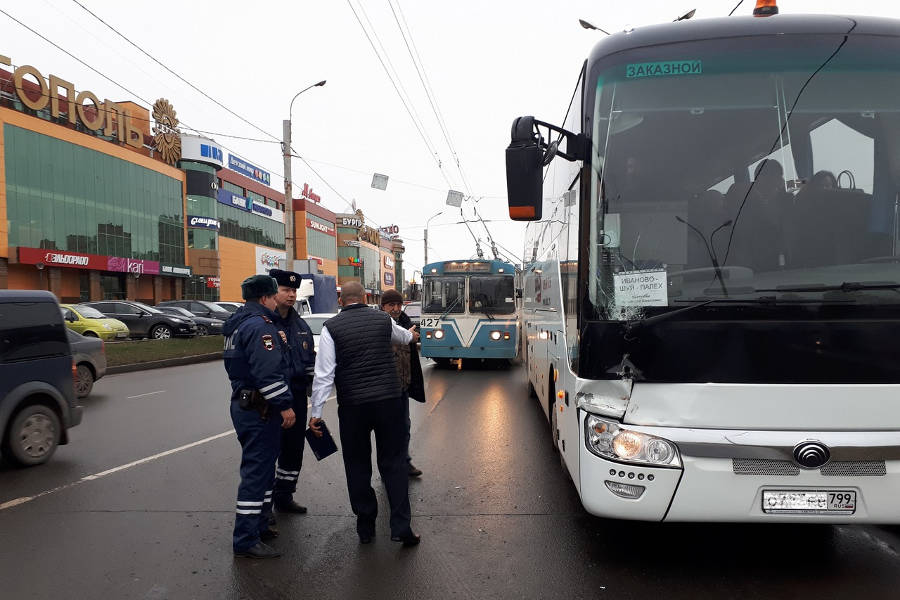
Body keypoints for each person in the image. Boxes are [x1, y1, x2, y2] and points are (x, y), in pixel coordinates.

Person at [308, 281, 422, 547]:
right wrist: (412, 335)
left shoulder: (331, 329)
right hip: (389, 402)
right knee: (394, 463)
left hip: (353, 407)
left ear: (342, 301)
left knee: (357, 465)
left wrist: (316, 412)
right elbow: (405, 338)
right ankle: (401, 527)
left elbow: (324, 374)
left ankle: (366, 526)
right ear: (363, 298)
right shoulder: (382, 320)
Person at [223, 275, 296, 559]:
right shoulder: (260, 327)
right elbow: (268, 374)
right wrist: (285, 405)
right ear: (266, 297)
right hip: (260, 408)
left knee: (264, 471)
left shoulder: (238, 323)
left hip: (246, 405)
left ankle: (261, 524)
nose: (279, 298)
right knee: (256, 474)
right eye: (276, 294)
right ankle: (246, 538)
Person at [268, 269, 317, 515]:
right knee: (269, 451)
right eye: (285, 290)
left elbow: (310, 361)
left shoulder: (300, 325)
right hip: (271, 398)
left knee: (293, 448)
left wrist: (315, 397)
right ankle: (264, 507)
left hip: (297, 396)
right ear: (272, 292)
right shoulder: (264, 323)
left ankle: (284, 496)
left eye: (293, 290)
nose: (291, 295)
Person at [380, 289, 426, 477]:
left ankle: (405, 463)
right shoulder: (378, 323)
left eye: (399, 305)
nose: (396, 309)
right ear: (383, 306)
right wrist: (406, 337)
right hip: (385, 388)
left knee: (404, 427)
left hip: (403, 387)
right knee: (386, 431)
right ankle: (388, 468)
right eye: (392, 305)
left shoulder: (407, 322)